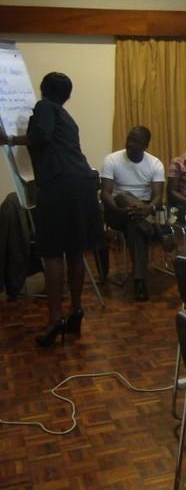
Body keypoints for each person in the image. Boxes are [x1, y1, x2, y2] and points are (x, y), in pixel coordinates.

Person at [0, 72, 103, 347]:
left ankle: (55, 318)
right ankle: (76, 310)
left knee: (53, 252)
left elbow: (41, 137)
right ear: (67, 96)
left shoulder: (44, 106)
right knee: (75, 250)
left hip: (59, 185)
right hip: (83, 183)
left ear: (43, 89)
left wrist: (10, 140)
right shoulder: (67, 118)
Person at [100, 126, 165, 301]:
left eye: (136, 141)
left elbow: (158, 196)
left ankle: (140, 282)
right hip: (116, 210)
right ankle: (151, 229)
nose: (130, 143)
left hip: (142, 212)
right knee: (123, 196)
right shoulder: (112, 160)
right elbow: (105, 193)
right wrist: (120, 210)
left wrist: (148, 208)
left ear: (145, 145)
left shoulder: (155, 164)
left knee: (135, 226)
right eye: (129, 139)